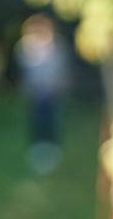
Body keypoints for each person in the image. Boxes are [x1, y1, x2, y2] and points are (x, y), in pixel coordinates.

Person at [14, 14, 71, 173]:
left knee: (52, 119)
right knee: (37, 120)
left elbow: (60, 69)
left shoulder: (56, 45)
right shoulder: (25, 46)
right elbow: (26, 70)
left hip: (52, 91)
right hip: (36, 92)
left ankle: (52, 149)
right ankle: (38, 148)